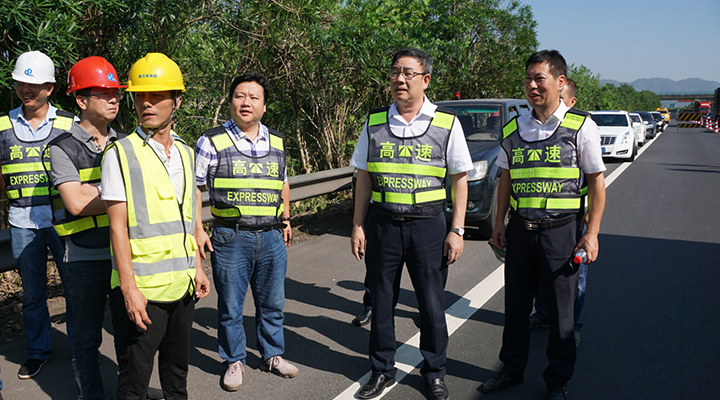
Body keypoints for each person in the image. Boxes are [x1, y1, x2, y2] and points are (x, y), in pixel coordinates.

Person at [480, 50, 606, 400]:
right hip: (520, 231)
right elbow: (506, 177)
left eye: (540, 79)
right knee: (516, 308)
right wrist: (499, 222)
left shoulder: (581, 126)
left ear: (560, 82)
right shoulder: (514, 128)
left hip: (561, 233)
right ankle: (511, 369)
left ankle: (557, 382)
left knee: (562, 314)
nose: (532, 86)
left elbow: (596, 182)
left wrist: (591, 233)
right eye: (528, 79)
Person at [350, 47, 472, 400]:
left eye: (408, 73)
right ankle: (381, 370)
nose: (399, 79)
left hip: (428, 226)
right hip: (383, 225)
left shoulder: (446, 123)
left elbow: (459, 179)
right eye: (394, 72)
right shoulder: (375, 122)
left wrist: (457, 229)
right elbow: (363, 177)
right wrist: (357, 225)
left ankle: (434, 372)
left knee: (431, 305)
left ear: (425, 80)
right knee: (381, 302)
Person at [101, 52, 211, 400]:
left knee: (177, 372)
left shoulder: (186, 152)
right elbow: (117, 229)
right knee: (134, 380)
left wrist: (197, 267)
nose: (146, 103)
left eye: (157, 96)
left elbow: (187, 217)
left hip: (183, 285)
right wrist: (129, 291)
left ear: (177, 101)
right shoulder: (120, 154)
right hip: (142, 292)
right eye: (139, 96)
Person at [195, 72, 297, 391]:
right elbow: (193, 188)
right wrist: (198, 229)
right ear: (230, 102)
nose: (246, 102)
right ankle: (234, 359)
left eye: (254, 97)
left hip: (271, 235)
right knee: (230, 306)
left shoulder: (276, 140)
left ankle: (272, 355)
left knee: (272, 303)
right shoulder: (211, 141)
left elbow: (283, 183)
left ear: (264, 106)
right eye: (239, 96)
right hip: (230, 236)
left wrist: (287, 219)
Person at [45, 56, 126, 400]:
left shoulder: (127, 143)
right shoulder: (61, 147)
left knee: (129, 334)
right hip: (83, 255)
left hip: (124, 253)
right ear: (81, 100)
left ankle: (130, 392)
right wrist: (122, 194)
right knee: (87, 338)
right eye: (103, 93)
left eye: (116, 93)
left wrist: (92, 191)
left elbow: (85, 195)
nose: (113, 99)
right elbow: (75, 203)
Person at [0, 50, 75, 380]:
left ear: (49, 88)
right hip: (21, 222)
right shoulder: (2, 125)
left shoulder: (69, 124)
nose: (25, 89)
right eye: (20, 83)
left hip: (64, 221)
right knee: (32, 295)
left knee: (74, 289)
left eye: (33, 84)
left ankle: (81, 349)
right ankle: (38, 351)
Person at [529, 78, 588, 348]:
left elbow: (595, 182)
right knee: (543, 272)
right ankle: (543, 314)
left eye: (561, 99)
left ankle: (572, 326)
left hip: (572, 220)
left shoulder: (579, 131)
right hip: (540, 221)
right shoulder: (534, 131)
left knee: (575, 277)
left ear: (571, 102)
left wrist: (590, 223)